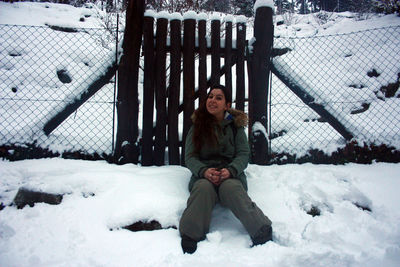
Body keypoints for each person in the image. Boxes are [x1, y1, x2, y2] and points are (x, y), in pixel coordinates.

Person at [179, 84, 273, 254]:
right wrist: (204, 171)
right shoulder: (197, 126)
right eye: (210, 96)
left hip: (230, 175)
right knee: (202, 188)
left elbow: (243, 154)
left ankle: (260, 228)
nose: (212, 100)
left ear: (227, 105)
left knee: (231, 188)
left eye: (218, 98)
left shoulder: (236, 127)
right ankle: (191, 233)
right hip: (203, 176)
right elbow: (190, 157)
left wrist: (231, 170)